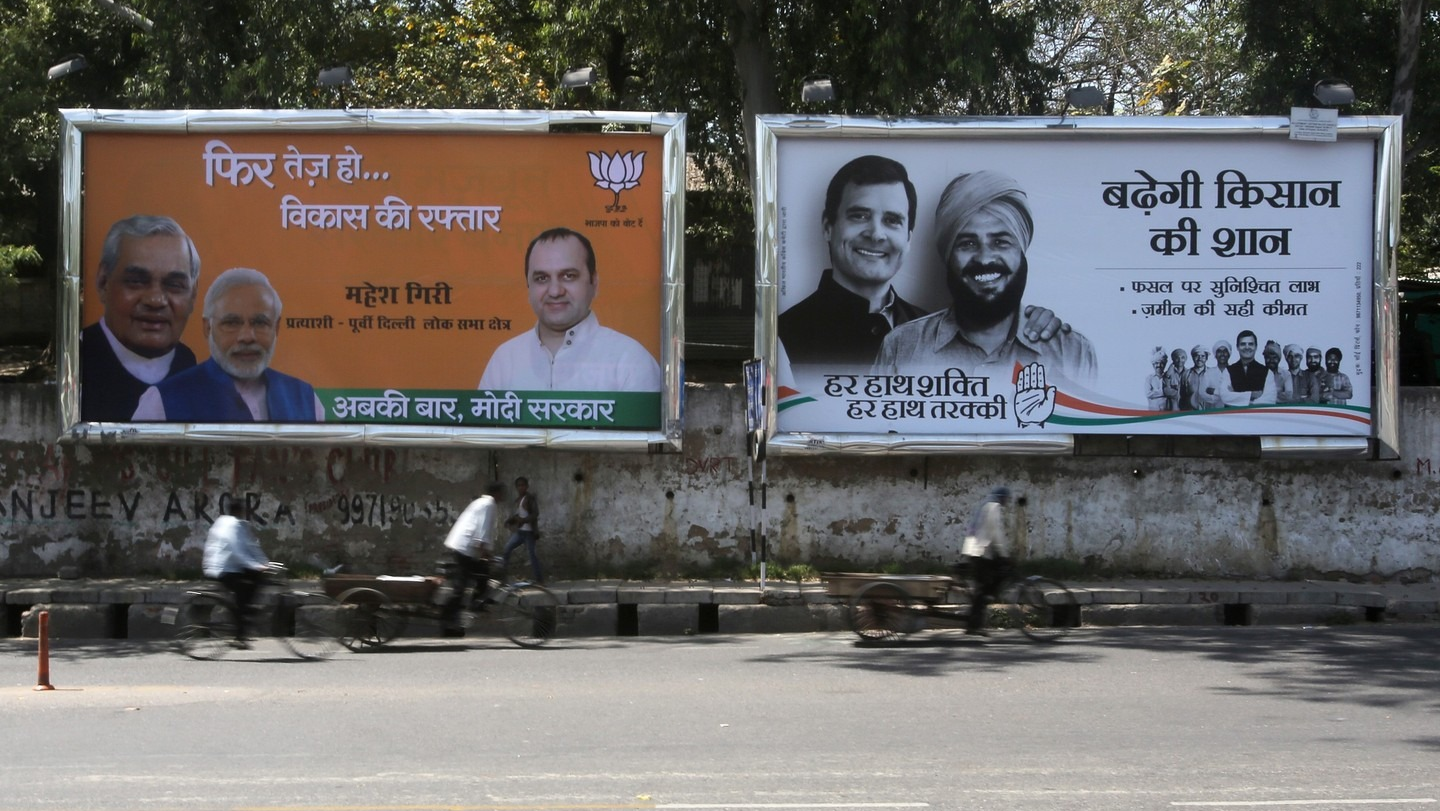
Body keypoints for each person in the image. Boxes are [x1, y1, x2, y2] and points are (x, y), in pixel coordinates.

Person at [778, 155, 1066, 370]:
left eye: (892, 220)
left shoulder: (923, 332)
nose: (876, 234)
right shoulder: (785, 335)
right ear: (828, 226)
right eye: (859, 216)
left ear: (909, 237)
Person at [873, 170, 1097, 384]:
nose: (984, 258)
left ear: (1022, 252)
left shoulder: (1071, 352)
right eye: (968, 243)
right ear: (948, 255)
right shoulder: (901, 347)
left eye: (1000, 242)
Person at [479, 227, 662, 393]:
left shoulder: (631, 361)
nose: (555, 291)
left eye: (568, 276)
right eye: (542, 278)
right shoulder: (505, 359)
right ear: (528, 287)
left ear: (594, 283)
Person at [133, 267, 323, 422]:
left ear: (277, 328)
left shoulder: (306, 400)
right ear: (208, 328)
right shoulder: (161, 402)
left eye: (260, 323)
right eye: (232, 323)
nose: (247, 337)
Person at [80, 215, 201, 422]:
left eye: (174, 285)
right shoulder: (76, 363)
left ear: (193, 296)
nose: (155, 300)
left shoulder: (189, 365)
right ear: (102, 283)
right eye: (136, 281)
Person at [440, 482, 506, 636]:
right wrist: (487, 555)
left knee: (482, 579)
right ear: (497, 493)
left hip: (465, 547)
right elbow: (481, 535)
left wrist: (485, 555)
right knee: (461, 589)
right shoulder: (489, 504)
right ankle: (449, 620)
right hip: (465, 549)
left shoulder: (481, 502)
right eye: (502, 493)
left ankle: (465, 615)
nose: (504, 496)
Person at [202, 500, 270, 647]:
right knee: (245, 593)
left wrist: (265, 563)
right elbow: (236, 548)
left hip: (229, 566)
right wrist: (255, 565)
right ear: (239, 511)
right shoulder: (232, 525)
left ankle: (243, 623)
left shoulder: (231, 523)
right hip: (223, 569)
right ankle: (240, 632)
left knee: (253, 581)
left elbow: (251, 546)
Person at [958, 486, 1015, 636]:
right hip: (981, 551)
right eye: (1006, 499)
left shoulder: (984, 505)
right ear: (1002, 497)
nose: (1006, 502)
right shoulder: (993, 506)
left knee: (981, 588)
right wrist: (1004, 553)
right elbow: (995, 532)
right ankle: (975, 625)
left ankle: (973, 624)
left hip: (974, 549)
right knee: (984, 589)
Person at [501, 476, 543, 584]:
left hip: (529, 533)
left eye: (523, 485)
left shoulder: (530, 499)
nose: (521, 488)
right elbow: (518, 515)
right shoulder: (518, 500)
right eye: (519, 486)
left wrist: (523, 520)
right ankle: (502, 578)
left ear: (527, 486)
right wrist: (510, 521)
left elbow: (535, 514)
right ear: (516, 487)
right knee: (506, 550)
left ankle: (539, 580)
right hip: (520, 532)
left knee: (532, 556)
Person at [1225, 330, 1276, 405]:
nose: (1247, 347)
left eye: (1251, 344)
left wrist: (1236, 397)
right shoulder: (1228, 371)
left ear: (1256, 347)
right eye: (1243, 344)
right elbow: (1225, 397)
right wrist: (1251, 395)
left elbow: (1269, 400)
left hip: (1257, 416)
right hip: (1233, 416)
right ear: (1237, 347)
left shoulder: (1267, 372)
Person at [1185, 344, 1224, 410]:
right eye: (1197, 356)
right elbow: (1182, 396)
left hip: (1209, 412)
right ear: (1192, 357)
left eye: (1203, 356)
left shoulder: (1213, 373)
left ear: (1206, 358)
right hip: (1191, 412)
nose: (1200, 359)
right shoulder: (1186, 374)